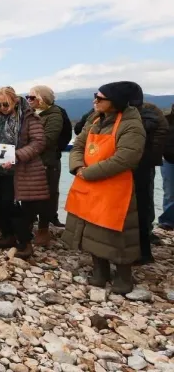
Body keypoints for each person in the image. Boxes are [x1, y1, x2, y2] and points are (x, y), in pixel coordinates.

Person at [63, 82, 145, 294]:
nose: (95, 101)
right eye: (95, 96)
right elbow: (78, 145)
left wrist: (89, 172)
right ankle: (100, 271)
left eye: (100, 98)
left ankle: (124, 276)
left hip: (114, 188)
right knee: (90, 229)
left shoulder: (131, 125)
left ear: (114, 102)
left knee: (116, 232)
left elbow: (125, 158)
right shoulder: (95, 120)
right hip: (88, 184)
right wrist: (77, 166)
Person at [0, 87, 48, 259]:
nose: (2, 108)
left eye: (5, 104)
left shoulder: (29, 118)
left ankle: (24, 243)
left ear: (15, 100)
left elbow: (38, 142)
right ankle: (7, 234)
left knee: (16, 210)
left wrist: (17, 156)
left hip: (20, 171)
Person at [122, 82, 168, 264]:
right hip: (140, 164)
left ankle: (144, 250)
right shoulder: (138, 112)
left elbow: (142, 130)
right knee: (139, 205)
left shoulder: (145, 112)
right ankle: (138, 244)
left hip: (142, 166)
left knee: (141, 205)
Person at [27, 85, 65, 246]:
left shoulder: (55, 115)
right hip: (29, 161)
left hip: (46, 163)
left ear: (42, 99)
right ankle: (27, 227)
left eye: (32, 98)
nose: (29, 101)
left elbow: (48, 139)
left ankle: (43, 229)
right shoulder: (29, 114)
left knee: (46, 197)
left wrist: (25, 145)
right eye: (27, 97)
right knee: (27, 196)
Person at [160, 104, 174, 230]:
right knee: (169, 191)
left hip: (167, 159)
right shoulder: (166, 120)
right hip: (168, 160)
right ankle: (167, 221)